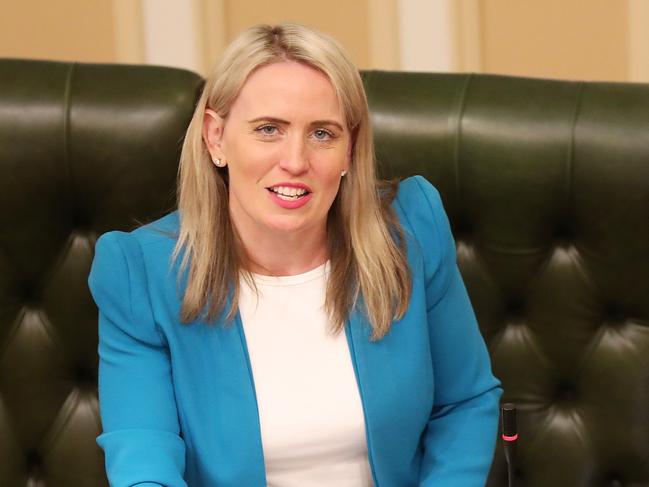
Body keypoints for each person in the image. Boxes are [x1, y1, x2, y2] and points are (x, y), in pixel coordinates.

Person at [88, 23, 502, 487]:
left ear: (350, 147)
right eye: (269, 129)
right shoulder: (140, 272)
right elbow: (143, 459)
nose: (296, 160)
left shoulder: (411, 230)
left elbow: (464, 403)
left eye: (322, 134)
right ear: (215, 137)